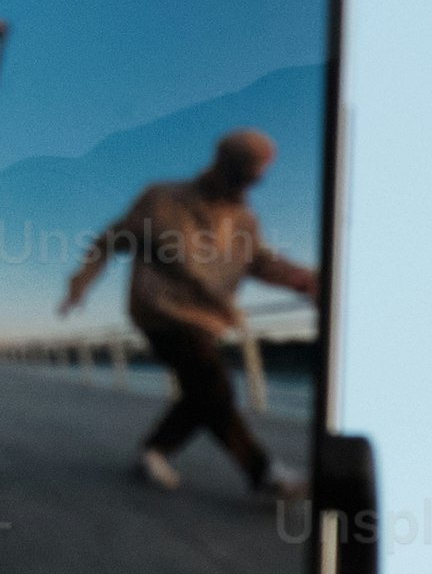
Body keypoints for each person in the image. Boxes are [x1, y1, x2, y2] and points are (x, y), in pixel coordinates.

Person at [57, 126, 316, 508]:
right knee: (213, 384)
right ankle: (265, 474)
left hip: (207, 316)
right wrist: (80, 282)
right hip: (160, 309)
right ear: (221, 163)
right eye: (241, 175)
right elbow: (112, 239)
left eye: (254, 179)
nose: (246, 186)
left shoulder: (244, 220)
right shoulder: (161, 199)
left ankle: (154, 450)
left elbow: (259, 261)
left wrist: (307, 281)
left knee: (202, 392)